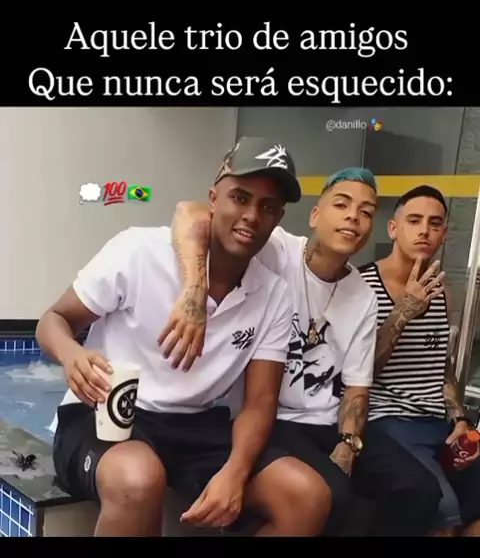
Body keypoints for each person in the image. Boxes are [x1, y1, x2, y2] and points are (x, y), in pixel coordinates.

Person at [36, 136, 333, 537]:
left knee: (307, 495)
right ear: (213, 199)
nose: (251, 216)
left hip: (196, 426)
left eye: (267, 207)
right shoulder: (140, 251)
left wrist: (235, 472)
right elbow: (53, 320)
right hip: (106, 415)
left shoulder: (274, 294)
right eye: (240, 198)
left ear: (278, 218)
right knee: (138, 479)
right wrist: (71, 355)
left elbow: (260, 402)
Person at [160, 167, 442, 536]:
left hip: (326, 423)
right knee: (332, 495)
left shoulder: (363, 295)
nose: (353, 217)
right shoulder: (276, 249)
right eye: (341, 205)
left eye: (366, 212)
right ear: (314, 215)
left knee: (420, 490)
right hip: (269, 418)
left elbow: (357, 387)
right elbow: (191, 213)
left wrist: (348, 444)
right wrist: (195, 289)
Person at [359, 184, 480, 537]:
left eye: (434, 223)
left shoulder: (441, 293)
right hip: (385, 422)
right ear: (393, 228)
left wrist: (459, 419)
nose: (424, 230)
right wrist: (402, 312)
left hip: (436, 424)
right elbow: (357, 373)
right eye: (414, 221)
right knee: (442, 511)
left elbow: (441, 366)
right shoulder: (362, 286)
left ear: (444, 235)